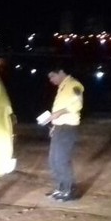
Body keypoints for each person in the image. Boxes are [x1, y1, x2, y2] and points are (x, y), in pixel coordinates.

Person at [45, 66, 84, 201]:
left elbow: (78, 104)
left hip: (68, 127)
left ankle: (69, 190)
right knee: (53, 160)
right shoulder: (62, 87)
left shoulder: (74, 85)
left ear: (61, 72)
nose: (51, 80)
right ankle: (61, 188)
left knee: (61, 160)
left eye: (52, 76)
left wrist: (59, 113)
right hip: (59, 127)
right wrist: (54, 126)